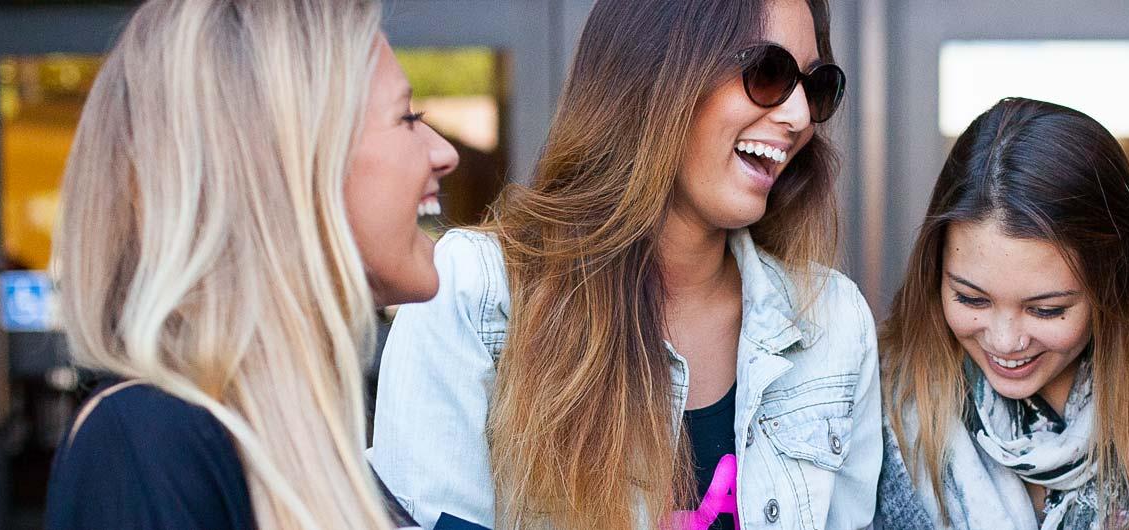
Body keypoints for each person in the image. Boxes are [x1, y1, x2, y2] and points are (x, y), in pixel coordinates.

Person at [366, 0, 874, 528]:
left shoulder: (833, 321)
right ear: (654, 74)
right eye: (768, 73)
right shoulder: (475, 292)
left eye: (816, 87)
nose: (798, 117)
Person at [44, 0, 458, 528]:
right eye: (407, 118)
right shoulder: (150, 443)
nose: (444, 153)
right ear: (282, 164)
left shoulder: (292, 435)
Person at [876, 97, 1129, 530]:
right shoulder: (885, 394)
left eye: (1046, 310)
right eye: (972, 300)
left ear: (1115, 284)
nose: (1005, 340)